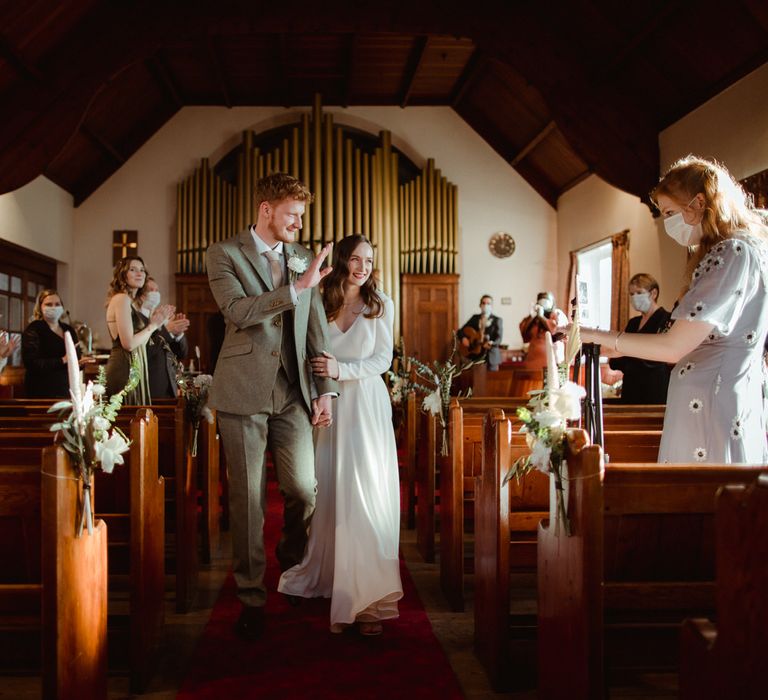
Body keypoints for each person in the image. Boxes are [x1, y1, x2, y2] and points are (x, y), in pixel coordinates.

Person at [206, 172, 337, 640]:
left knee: (304, 489)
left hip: (294, 392)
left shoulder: (303, 258)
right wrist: (297, 287)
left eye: (301, 215)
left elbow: (315, 325)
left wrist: (323, 388)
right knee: (249, 501)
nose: (299, 224)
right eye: (292, 214)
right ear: (266, 209)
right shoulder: (224, 254)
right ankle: (250, 596)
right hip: (243, 391)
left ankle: (291, 560)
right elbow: (238, 313)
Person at [576, 156, 768, 464]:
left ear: (699, 202)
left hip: (712, 407)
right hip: (709, 401)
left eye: (669, 212)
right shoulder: (739, 249)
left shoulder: (733, 250)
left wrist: (596, 335)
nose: (667, 222)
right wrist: (604, 346)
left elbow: (674, 346)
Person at [279, 234, 403, 636]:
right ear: (344, 260)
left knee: (365, 492)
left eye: (369, 259)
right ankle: (337, 584)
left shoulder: (380, 303)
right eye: (355, 258)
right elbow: (304, 351)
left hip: (366, 404)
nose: (363, 266)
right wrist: (321, 389)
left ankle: (366, 598)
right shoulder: (321, 299)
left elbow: (383, 359)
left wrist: (341, 371)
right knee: (331, 492)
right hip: (330, 407)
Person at [105, 257, 175, 404]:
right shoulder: (121, 299)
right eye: (133, 269)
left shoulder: (134, 303)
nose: (139, 274)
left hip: (136, 368)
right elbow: (129, 344)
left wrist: (156, 320)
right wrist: (153, 325)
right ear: (123, 274)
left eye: (142, 270)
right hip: (124, 368)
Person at [608, 273, 672, 404]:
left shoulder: (666, 319)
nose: (635, 297)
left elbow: (657, 357)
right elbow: (616, 360)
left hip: (654, 389)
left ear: (653, 293)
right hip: (631, 389)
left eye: (639, 292)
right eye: (631, 294)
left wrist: (628, 355)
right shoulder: (633, 323)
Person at [22, 289, 93, 398]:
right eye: (49, 304)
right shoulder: (33, 329)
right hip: (41, 389)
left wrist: (80, 363)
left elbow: (74, 359)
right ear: (40, 307)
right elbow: (31, 363)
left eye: (57, 304)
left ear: (62, 307)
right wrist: (63, 360)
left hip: (65, 388)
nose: (53, 307)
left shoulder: (68, 329)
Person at [139, 277, 190, 400]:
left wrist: (178, 335)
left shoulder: (162, 317)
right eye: (151, 290)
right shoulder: (138, 319)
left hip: (169, 388)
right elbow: (146, 351)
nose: (155, 293)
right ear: (141, 295)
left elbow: (182, 353)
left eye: (157, 289)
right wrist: (167, 331)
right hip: (150, 387)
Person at [519, 291, 568, 368]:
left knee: (554, 379)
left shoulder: (557, 314)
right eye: (541, 300)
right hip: (533, 359)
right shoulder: (535, 318)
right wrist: (531, 317)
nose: (543, 302)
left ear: (552, 302)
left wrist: (542, 317)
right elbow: (525, 337)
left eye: (546, 300)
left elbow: (554, 330)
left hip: (554, 360)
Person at [458, 294, 503, 370]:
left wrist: (491, 343)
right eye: (483, 303)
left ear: (492, 306)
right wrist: (463, 339)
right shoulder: (474, 318)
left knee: (491, 381)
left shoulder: (497, 320)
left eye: (488, 303)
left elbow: (499, 338)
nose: (485, 305)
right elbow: (460, 331)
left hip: (491, 357)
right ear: (480, 305)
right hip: (476, 357)